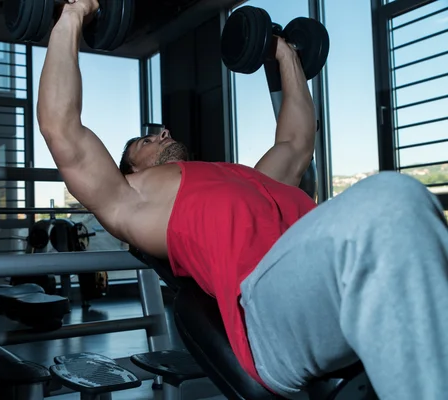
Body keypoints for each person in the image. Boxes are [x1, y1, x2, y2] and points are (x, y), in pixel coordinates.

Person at [36, 0, 448, 399]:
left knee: (402, 215)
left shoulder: (248, 178)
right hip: (269, 318)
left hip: (317, 284)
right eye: (146, 140)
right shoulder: (133, 197)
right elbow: (62, 128)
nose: (162, 133)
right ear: (131, 170)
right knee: (391, 198)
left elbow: (296, 141)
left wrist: (283, 53)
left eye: (159, 132)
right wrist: (73, 14)